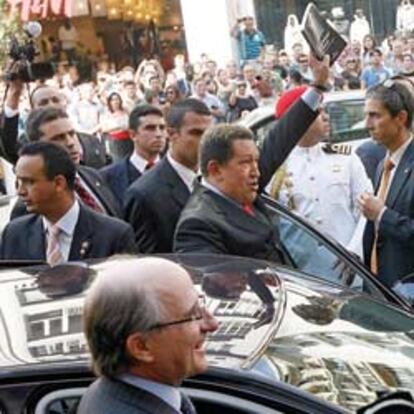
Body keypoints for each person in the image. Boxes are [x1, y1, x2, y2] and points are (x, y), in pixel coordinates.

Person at [127, 55, 329, 254]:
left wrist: (317, 86)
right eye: (196, 133)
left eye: (209, 132)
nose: (205, 140)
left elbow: (278, 141)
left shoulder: (240, 178)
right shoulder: (147, 195)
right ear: (172, 134)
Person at [78, 257, 218, 413]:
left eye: (200, 304)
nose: (212, 324)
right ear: (142, 347)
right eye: (193, 314)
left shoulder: (107, 392)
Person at [268, 86, 372, 251]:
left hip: (349, 261)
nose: (326, 117)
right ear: (298, 118)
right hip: (301, 266)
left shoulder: (346, 157)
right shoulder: (276, 167)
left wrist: (354, 252)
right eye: (319, 112)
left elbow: (365, 210)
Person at [0, 142, 136, 263]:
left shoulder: (113, 235)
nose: (21, 191)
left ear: (59, 183)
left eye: (30, 182)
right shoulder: (14, 234)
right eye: (18, 182)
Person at [358, 78, 414, 287]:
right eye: (366, 115)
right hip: (381, 289)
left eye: (375, 115)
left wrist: (382, 215)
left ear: (400, 118)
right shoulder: (384, 164)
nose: (367, 124)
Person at [17, 107, 121, 218]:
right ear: (38, 146)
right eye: (58, 138)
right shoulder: (29, 204)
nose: (70, 143)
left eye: (72, 134)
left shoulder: (93, 175)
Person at [2, 82, 108, 169]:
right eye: (43, 102)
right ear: (32, 109)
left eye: (55, 100)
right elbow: (8, 146)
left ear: (65, 103)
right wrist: (14, 95)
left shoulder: (91, 141)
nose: (51, 105)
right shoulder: (29, 145)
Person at [100, 105, 166, 205]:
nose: (158, 134)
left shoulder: (176, 172)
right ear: (133, 135)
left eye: (162, 128)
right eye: (150, 128)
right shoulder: (108, 177)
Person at [99, 92, 132, 162]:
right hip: (115, 141)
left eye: (117, 99)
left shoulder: (126, 110)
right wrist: (118, 127)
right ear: (110, 102)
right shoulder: (106, 113)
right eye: (113, 100)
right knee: (119, 161)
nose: (116, 101)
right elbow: (104, 129)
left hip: (128, 139)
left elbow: (132, 122)